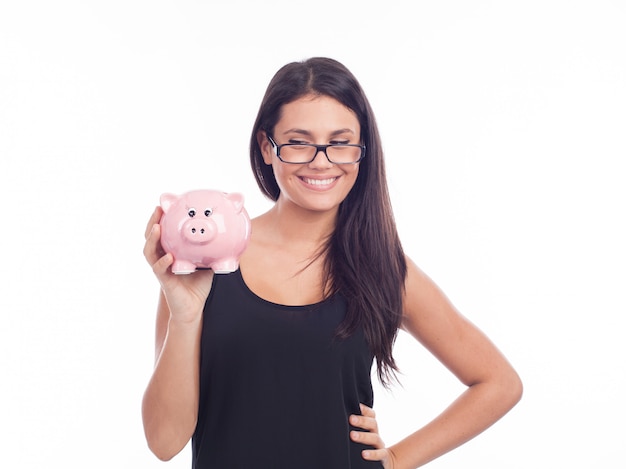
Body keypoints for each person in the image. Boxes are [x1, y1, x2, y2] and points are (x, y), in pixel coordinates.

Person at [142, 57, 522, 469]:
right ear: (267, 147)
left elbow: (499, 383)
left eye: (340, 142)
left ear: (362, 151)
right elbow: (164, 442)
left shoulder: (383, 269)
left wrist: (395, 459)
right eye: (299, 142)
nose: (321, 161)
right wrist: (184, 315)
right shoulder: (206, 263)